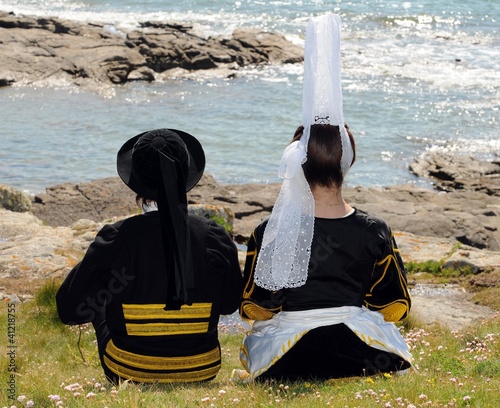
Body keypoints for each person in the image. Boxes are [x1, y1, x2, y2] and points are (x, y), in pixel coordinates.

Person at [234, 13, 412, 382]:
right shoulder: (375, 230)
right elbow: (394, 307)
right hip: (360, 353)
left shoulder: (271, 230)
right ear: (347, 162)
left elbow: (255, 309)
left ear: (297, 162)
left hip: (288, 358)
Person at [56, 128, 243, 384]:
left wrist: (99, 266)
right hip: (202, 367)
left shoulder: (117, 237)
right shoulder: (214, 236)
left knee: (100, 298)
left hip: (128, 369)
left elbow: (70, 310)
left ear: (136, 181)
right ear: (185, 177)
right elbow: (229, 304)